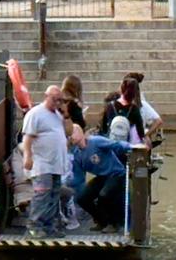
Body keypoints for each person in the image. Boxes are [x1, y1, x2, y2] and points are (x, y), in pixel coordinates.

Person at [21, 85, 70, 237]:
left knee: (54, 195)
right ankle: (34, 224)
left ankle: (49, 226)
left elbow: (68, 132)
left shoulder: (58, 115)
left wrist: (66, 114)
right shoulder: (35, 114)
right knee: (42, 194)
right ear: (46, 96)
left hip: (55, 163)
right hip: (41, 162)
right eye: (55, 99)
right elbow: (27, 138)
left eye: (60, 100)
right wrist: (27, 156)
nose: (57, 103)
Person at [70, 120, 132, 231]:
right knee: (82, 198)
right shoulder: (77, 154)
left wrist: (133, 147)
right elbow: (78, 178)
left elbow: (116, 144)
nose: (71, 137)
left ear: (80, 133)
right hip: (102, 177)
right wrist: (69, 187)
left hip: (116, 174)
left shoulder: (96, 141)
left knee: (104, 195)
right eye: (69, 135)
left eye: (73, 133)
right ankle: (102, 221)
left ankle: (113, 224)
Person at [99, 75, 147, 145]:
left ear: (122, 89)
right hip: (125, 144)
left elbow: (103, 127)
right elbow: (140, 131)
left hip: (111, 143)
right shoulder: (134, 109)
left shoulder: (110, 106)